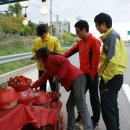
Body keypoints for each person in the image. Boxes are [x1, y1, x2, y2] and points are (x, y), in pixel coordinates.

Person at [31, 47, 93, 130]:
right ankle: (70, 127)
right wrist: (31, 87)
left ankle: (89, 128)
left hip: (78, 78)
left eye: (37, 59)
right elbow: (43, 78)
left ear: (41, 57)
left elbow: (65, 61)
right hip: (75, 81)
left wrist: (60, 76)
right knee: (69, 106)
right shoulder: (47, 66)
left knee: (80, 105)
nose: (37, 62)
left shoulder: (51, 58)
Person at [63, 20, 101, 129]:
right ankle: (80, 117)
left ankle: (95, 120)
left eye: (78, 31)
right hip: (82, 75)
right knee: (80, 98)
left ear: (84, 29)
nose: (77, 34)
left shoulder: (94, 42)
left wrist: (93, 76)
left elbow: (96, 60)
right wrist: (59, 58)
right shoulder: (80, 42)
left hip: (92, 75)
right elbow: (69, 52)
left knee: (94, 98)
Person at [94, 13, 127, 130]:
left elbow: (112, 61)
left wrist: (105, 78)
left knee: (107, 109)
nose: (96, 27)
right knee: (112, 106)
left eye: (97, 25)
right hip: (115, 77)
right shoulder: (113, 36)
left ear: (103, 25)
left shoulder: (112, 37)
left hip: (111, 77)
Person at [32, 24, 62, 92]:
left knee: (54, 88)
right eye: (39, 34)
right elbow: (34, 51)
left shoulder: (54, 40)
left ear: (45, 32)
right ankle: (43, 101)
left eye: (41, 34)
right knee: (42, 88)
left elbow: (59, 53)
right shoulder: (36, 41)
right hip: (41, 68)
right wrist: (36, 57)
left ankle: (55, 101)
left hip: (52, 69)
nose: (40, 36)